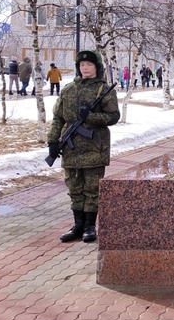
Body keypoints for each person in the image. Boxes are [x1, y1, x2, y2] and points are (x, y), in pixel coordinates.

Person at [47, 50, 120, 243]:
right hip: (71, 148)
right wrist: (53, 141)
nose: (85, 68)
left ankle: (89, 226)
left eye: (89, 64)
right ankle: (77, 225)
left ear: (97, 67)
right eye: (82, 65)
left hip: (94, 147)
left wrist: (90, 117)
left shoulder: (103, 90)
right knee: (74, 187)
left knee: (92, 188)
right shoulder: (69, 89)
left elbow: (113, 117)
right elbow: (58, 118)